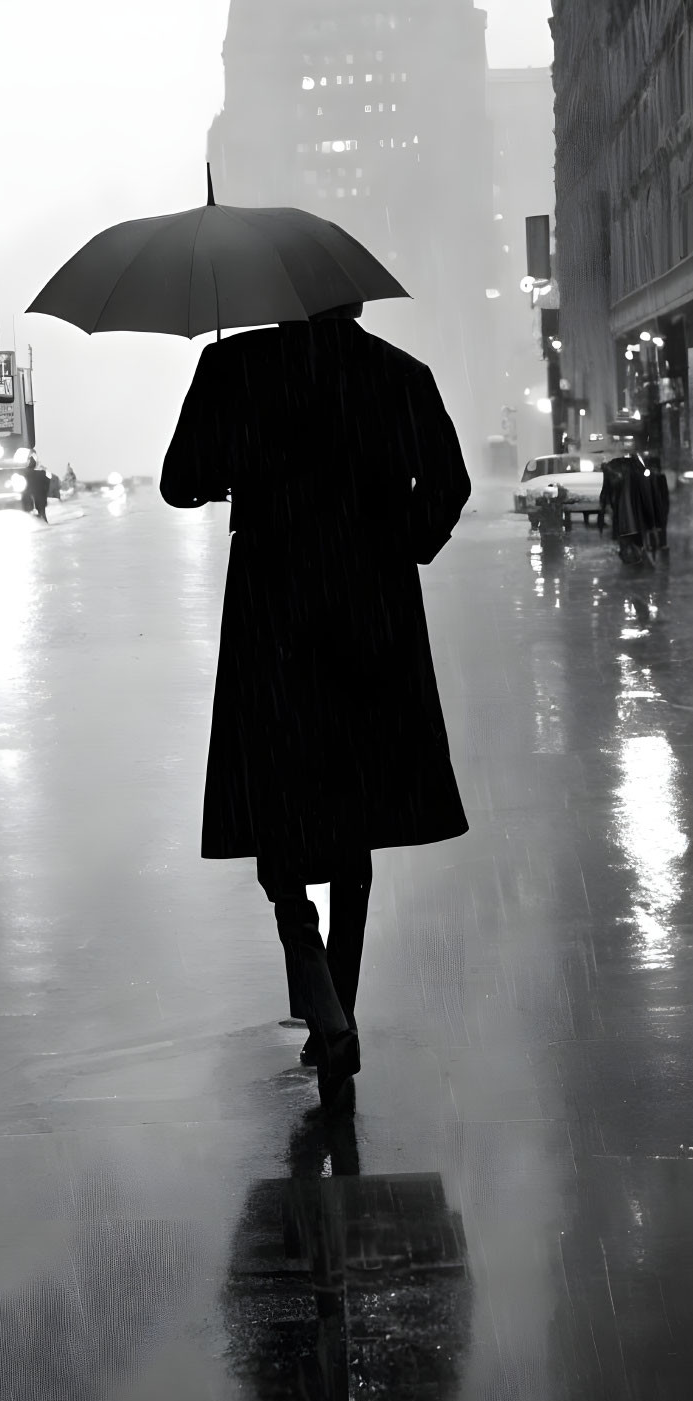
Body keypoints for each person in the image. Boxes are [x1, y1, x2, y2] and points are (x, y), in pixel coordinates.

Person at [159, 300, 471, 1114]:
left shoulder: (235, 369)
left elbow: (178, 481)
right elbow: (447, 484)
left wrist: (237, 456)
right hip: (371, 619)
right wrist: (395, 542)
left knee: (278, 812)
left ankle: (321, 1002)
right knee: (353, 812)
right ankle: (338, 1004)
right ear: (357, 300)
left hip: (273, 620)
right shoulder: (399, 375)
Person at [23, 451, 51, 521]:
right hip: (40, 496)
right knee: (42, 514)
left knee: (38, 514)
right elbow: (47, 483)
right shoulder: (41, 473)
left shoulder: (27, 474)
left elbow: (26, 487)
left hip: (33, 497)